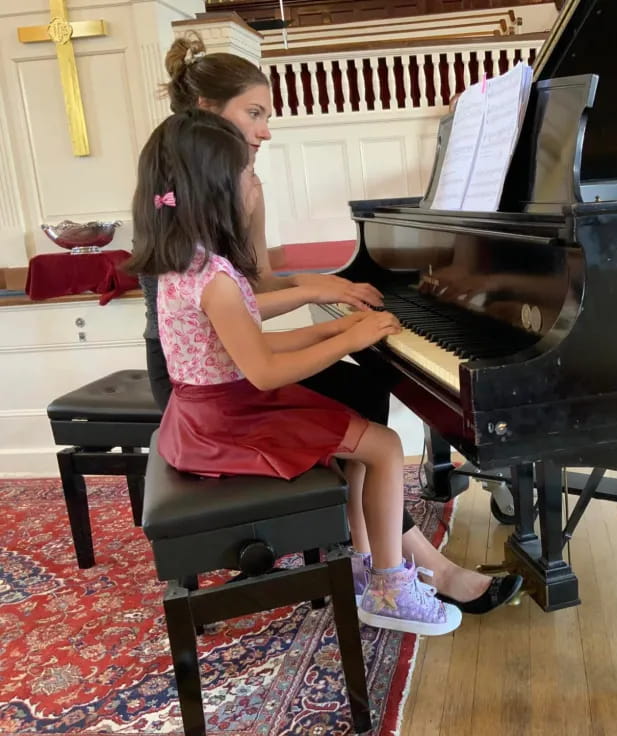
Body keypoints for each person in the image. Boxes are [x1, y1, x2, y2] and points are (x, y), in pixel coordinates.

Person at [138, 33, 521, 614]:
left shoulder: (197, 208)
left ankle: (370, 554)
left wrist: (326, 302)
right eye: (255, 112)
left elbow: (250, 290)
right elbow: (244, 320)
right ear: (207, 120)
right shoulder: (198, 222)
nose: (265, 130)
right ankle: (397, 569)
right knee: (369, 425)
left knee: (362, 388)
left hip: (224, 375)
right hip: (205, 388)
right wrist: (331, 314)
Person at [127, 109, 464, 635]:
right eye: (247, 174)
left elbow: (244, 344)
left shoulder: (186, 263)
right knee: (386, 445)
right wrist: (348, 337)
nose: (255, 183)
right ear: (217, 189)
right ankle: (391, 588)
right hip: (235, 415)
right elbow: (261, 370)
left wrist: (332, 332)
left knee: (359, 430)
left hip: (208, 409)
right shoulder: (214, 277)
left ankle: (364, 562)